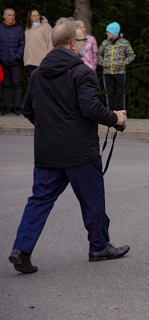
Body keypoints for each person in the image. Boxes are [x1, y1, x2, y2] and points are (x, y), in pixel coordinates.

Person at [9, 18, 130, 274]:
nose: (84, 44)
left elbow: (27, 109)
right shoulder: (82, 73)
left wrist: (50, 126)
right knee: (92, 199)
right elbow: (90, 108)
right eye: (82, 41)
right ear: (73, 44)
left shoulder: (38, 73)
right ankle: (98, 246)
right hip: (80, 152)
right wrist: (116, 118)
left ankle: (21, 250)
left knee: (40, 200)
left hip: (47, 151)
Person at [97, 21, 135, 110]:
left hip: (120, 72)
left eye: (109, 32)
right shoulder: (105, 43)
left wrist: (122, 63)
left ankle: (121, 112)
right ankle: (110, 112)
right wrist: (102, 63)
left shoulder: (124, 43)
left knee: (120, 93)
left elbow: (131, 55)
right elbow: (98, 54)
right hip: (107, 72)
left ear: (114, 32)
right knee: (109, 93)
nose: (107, 33)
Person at [0, 7, 25, 114]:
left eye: (13, 15)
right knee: (5, 85)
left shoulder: (19, 28)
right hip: (3, 61)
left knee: (17, 84)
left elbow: (22, 43)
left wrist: (17, 56)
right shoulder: (0, 28)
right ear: (4, 16)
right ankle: (7, 107)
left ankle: (18, 107)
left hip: (15, 61)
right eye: (9, 15)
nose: (11, 17)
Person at [23, 9, 52, 75]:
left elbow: (50, 42)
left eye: (37, 15)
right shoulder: (28, 28)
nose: (36, 17)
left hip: (42, 60)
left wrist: (49, 58)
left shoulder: (46, 27)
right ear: (30, 17)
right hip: (31, 60)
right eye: (34, 16)